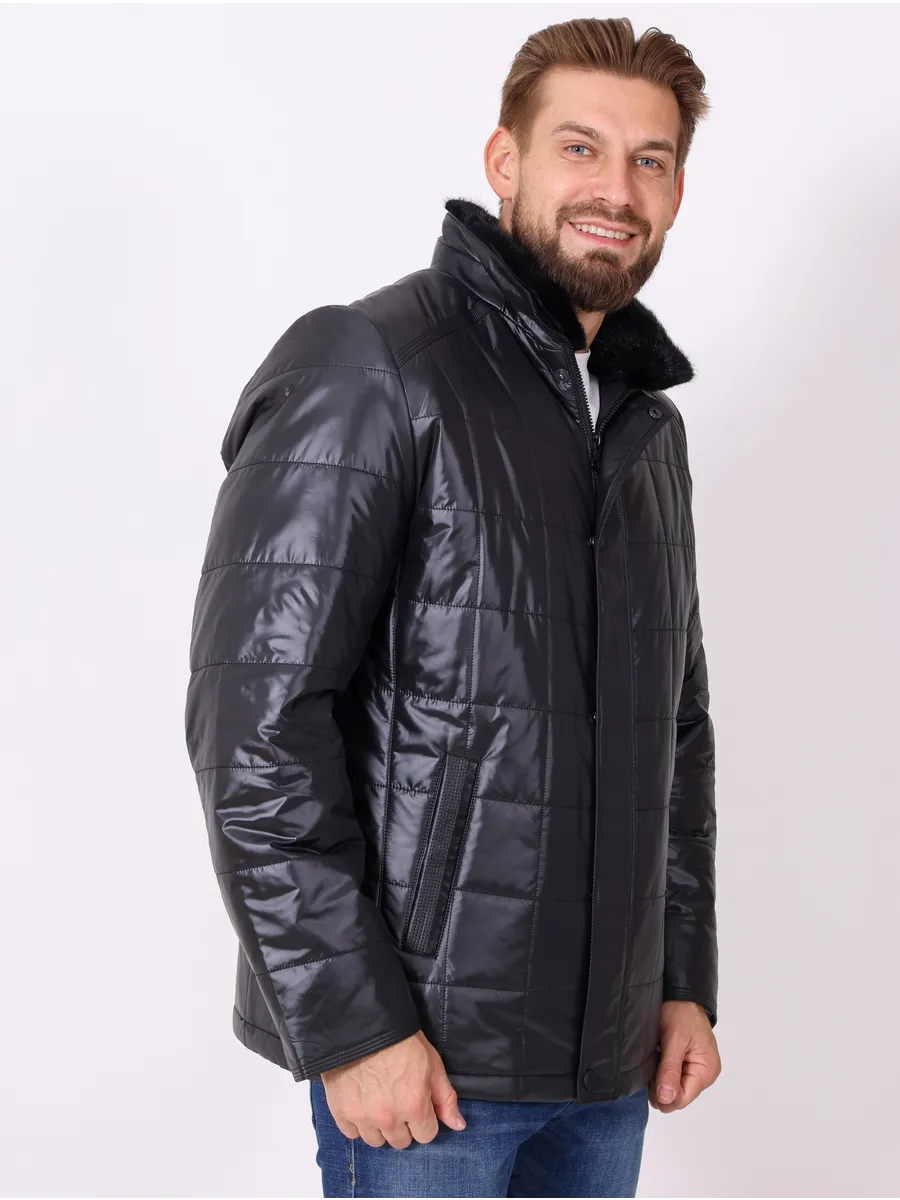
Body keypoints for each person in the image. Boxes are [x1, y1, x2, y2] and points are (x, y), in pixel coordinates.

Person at [184, 15, 721, 1199]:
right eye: (579, 148)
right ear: (504, 162)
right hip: (425, 1067)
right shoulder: (372, 364)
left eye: (650, 160)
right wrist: (353, 1026)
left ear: (677, 193)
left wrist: (681, 980)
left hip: (609, 1066)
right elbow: (255, 729)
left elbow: (674, 733)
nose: (616, 190)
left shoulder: (646, 428)